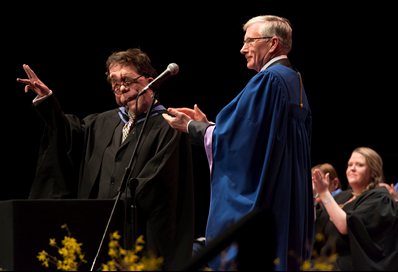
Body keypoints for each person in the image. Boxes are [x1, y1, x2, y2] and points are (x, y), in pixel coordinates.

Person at [16, 48, 194, 270]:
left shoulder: (170, 125)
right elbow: (67, 138)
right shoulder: (101, 123)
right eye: (114, 83)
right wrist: (47, 100)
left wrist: (118, 209)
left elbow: (160, 184)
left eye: (127, 79)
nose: (121, 87)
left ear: (151, 81)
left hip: (141, 238)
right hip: (96, 236)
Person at [162, 15, 313, 270]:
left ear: (273, 43)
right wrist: (210, 125)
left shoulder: (268, 81)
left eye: (249, 42)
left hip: (265, 195)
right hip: (285, 192)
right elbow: (256, 138)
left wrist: (191, 127)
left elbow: (238, 145)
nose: (243, 49)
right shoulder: (293, 80)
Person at [312, 147, 398, 270]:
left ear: (373, 171)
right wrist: (311, 197)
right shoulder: (342, 196)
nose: (352, 168)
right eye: (350, 164)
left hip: (349, 265)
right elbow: (316, 223)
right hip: (324, 262)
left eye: (359, 165)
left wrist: (324, 193)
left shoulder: (379, 198)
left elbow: (346, 226)